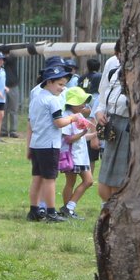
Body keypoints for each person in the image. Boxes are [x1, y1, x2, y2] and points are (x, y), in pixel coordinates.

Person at [25, 60, 75, 223]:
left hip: (37, 143)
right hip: (50, 144)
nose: (62, 88)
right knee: (49, 179)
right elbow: (59, 122)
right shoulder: (52, 100)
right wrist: (72, 118)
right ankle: (51, 212)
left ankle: (33, 210)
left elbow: (31, 121)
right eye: (60, 84)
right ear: (49, 82)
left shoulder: (36, 97)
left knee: (37, 178)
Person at [94, 50, 129, 202]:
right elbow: (103, 91)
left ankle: (115, 216)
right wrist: (100, 110)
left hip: (129, 125)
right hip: (112, 123)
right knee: (103, 184)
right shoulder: (112, 63)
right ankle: (108, 213)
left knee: (118, 182)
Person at [59, 86, 95, 219]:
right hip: (72, 156)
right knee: (85, 181)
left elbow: (81, 137)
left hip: (80, 155)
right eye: (81, 102)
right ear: (72, 103)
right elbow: (68, 139)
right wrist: (84, 132)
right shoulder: (67, 116)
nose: (84, 105)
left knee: (80, 181)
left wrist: (95, 134)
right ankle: (68, 208)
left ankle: (68, 208)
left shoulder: (79, 115)